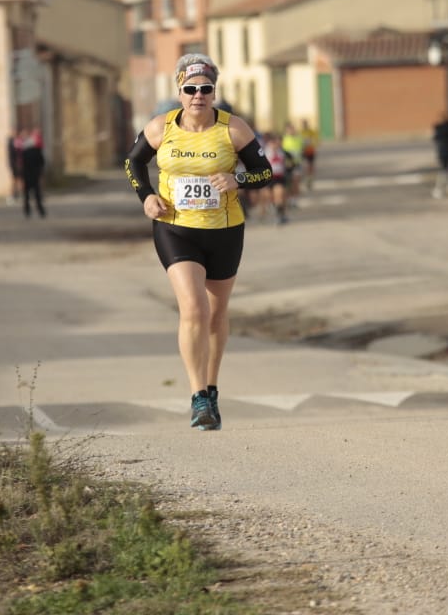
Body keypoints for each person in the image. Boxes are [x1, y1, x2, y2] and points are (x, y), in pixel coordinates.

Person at [123, 53, 273, 430]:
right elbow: (133, 163)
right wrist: (146, 196)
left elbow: (265, 172)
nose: (198, 96)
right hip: (175, 228)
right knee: (193, 310)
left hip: (224, 230)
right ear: (179, 91)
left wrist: (238, 181)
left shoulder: (233, 129)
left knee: (216, 315)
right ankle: (198, 397)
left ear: (214, 92)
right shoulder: (161, 128)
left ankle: (212, 385)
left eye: (206, 89)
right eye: (190, 89)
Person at [262, 131, 291, 225]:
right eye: (274, 142)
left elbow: (290, 163)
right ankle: (278, 213)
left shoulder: (282, 152)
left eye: (278, 142)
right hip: (268, 177)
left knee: (280, 195)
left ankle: (281, 215)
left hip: (279, 177)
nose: (276, 144)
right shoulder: (265, 151)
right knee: (271, 198)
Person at [19, 128, 46, 218]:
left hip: (28, 175)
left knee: (27, 194)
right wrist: (40, 173)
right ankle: (40, 210)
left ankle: (27, 211)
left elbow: (22, 165)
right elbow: (41, 162)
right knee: (36, 194)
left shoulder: (24, 151)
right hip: (34, 175)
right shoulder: (36, 150)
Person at [432, 112, 448, 199]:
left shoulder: (445, 128)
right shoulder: (442, 128)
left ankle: (447, 187)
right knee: (444, 171)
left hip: (446, 152)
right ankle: (441, 188)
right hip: (443, 152)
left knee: (446, 170)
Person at [299, 119, 319, 190]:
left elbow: (316, 140)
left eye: (305, 124)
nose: (304, 126)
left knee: (311, 166)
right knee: (305, 166)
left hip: (311, 151)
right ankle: (307, 179)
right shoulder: (300, 133)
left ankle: (310, 179)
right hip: (304, 152)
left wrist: (313, 144)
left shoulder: (311, 132)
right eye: (303, 124)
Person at [6, 133, 25, 205]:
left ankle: (21, 195)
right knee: (14, 181)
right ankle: (12, 196)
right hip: (15, 165)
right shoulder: (12, 142)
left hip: (20, 165)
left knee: (21, 180)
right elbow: (11, 155)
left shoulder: (20, 141)